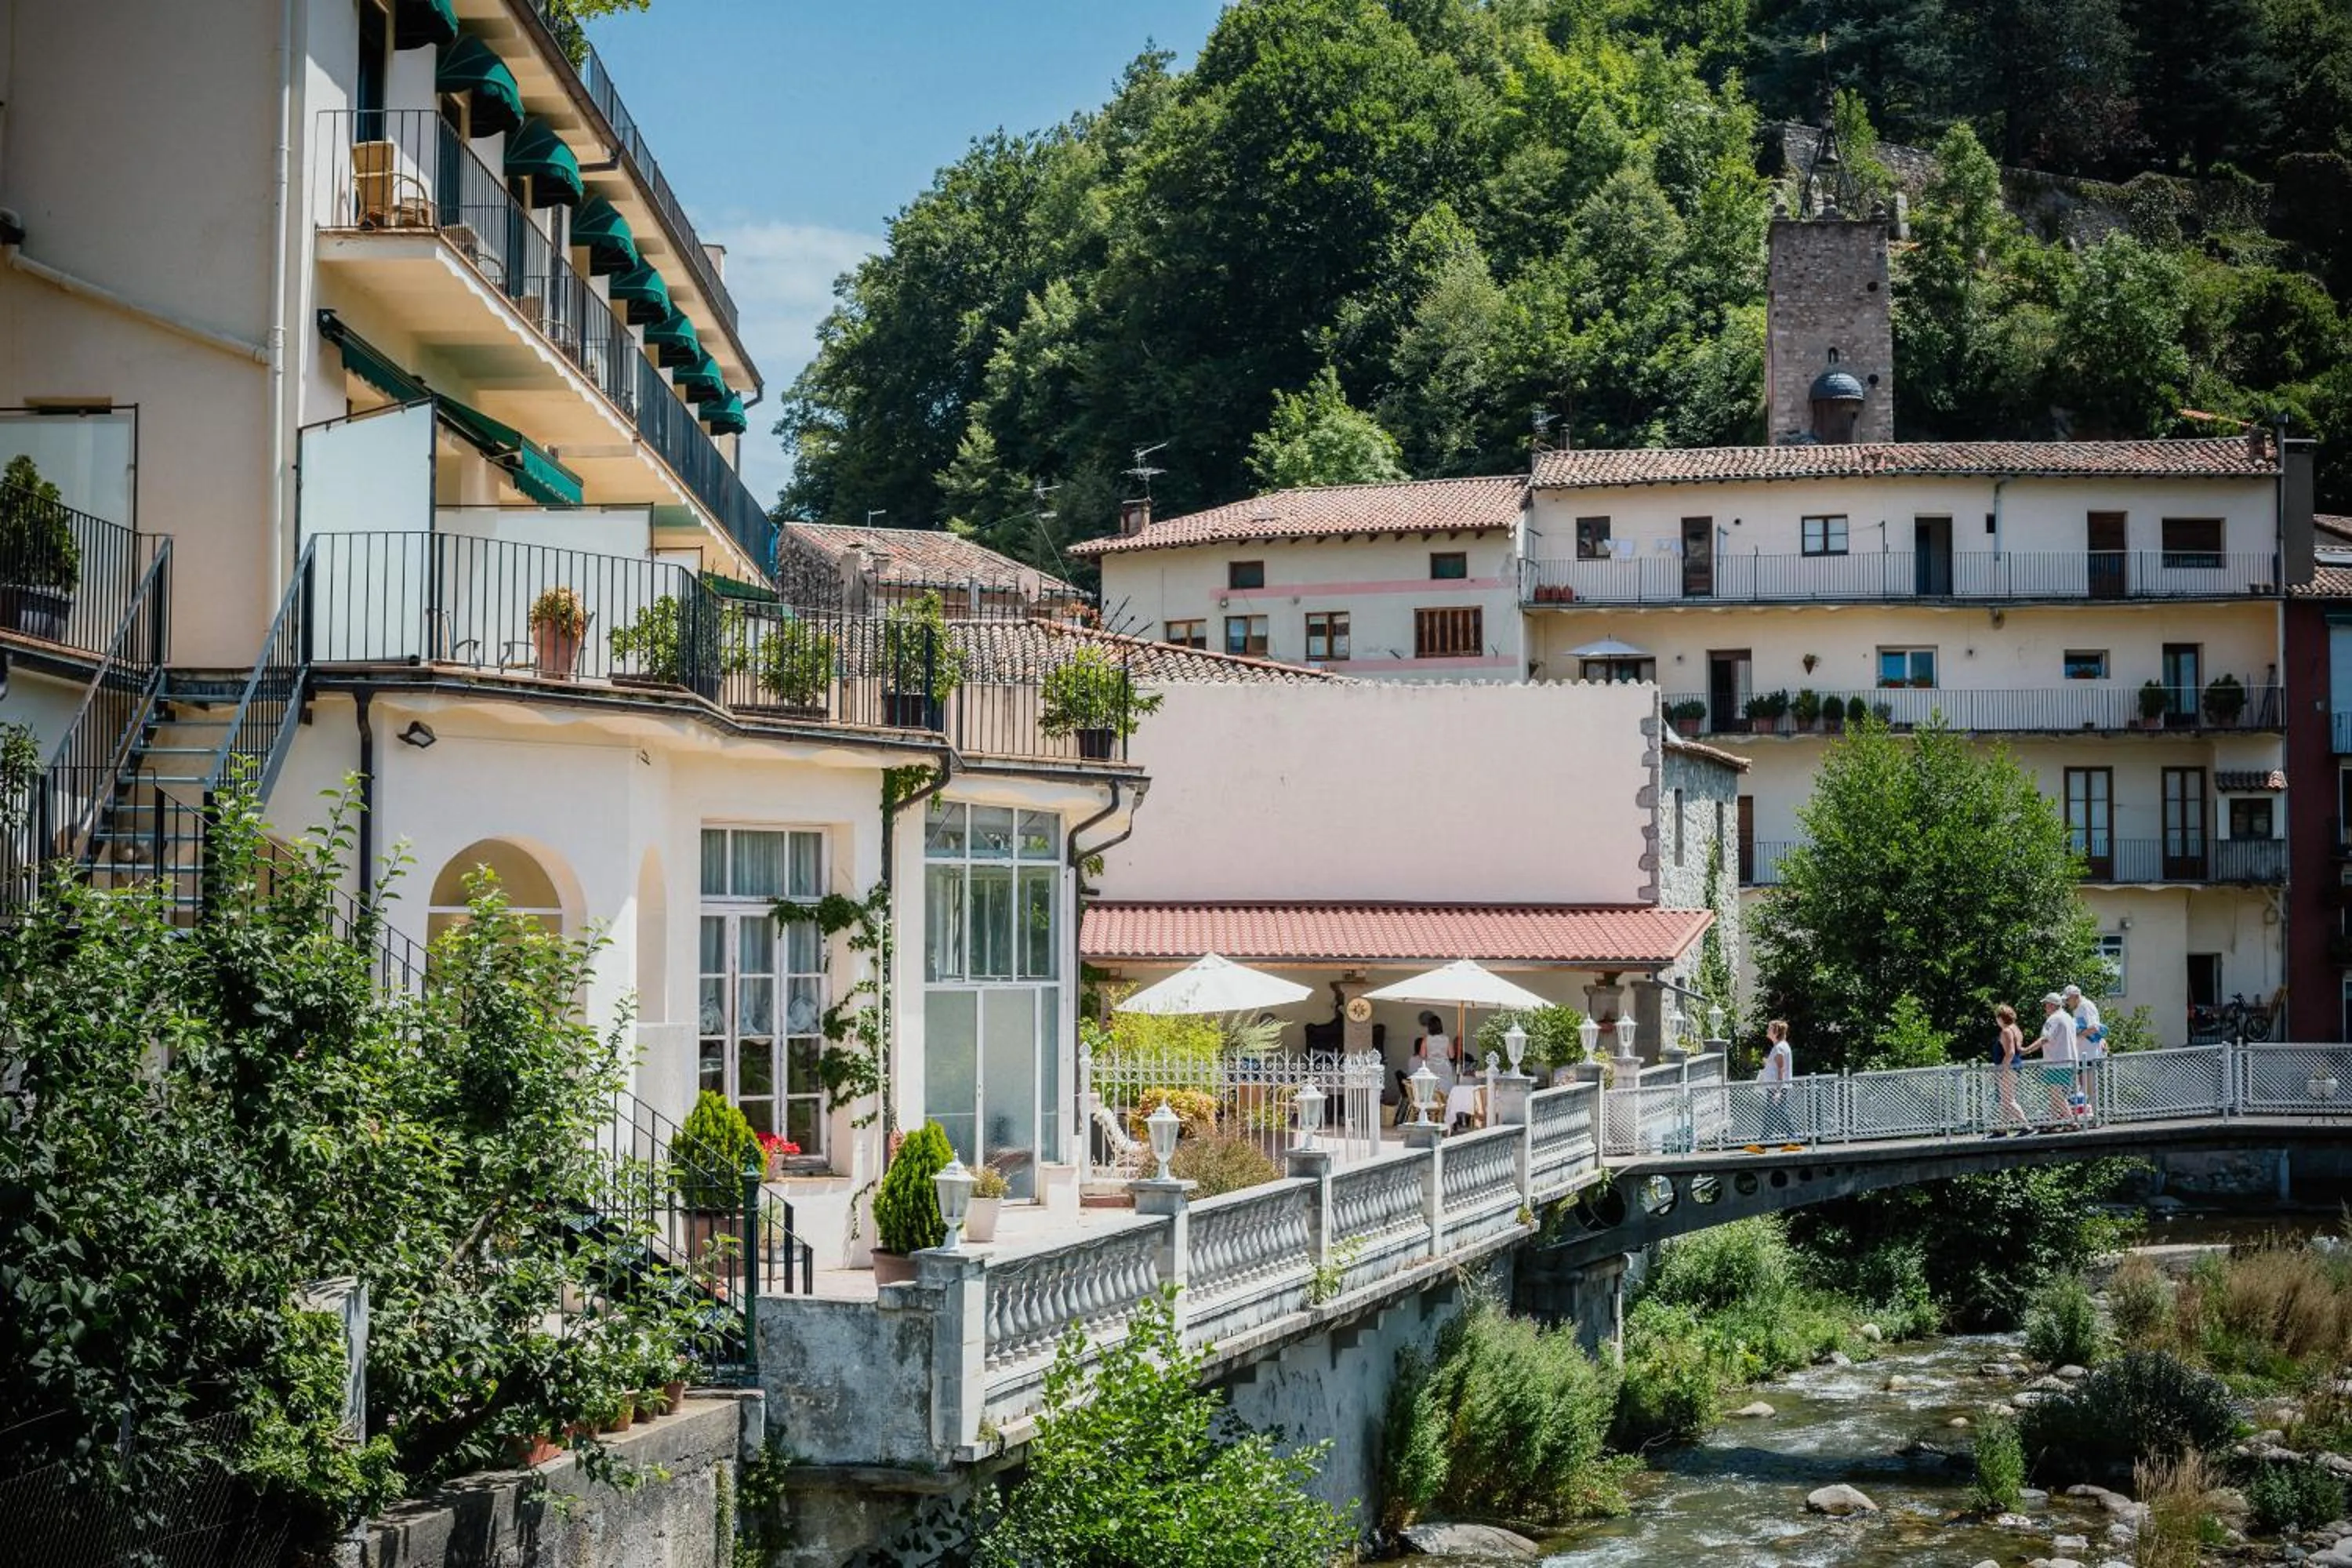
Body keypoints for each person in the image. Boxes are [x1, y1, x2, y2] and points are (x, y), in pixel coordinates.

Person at [2021, 993, 2077, 1127]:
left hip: (2056, 1061)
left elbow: (2045, 1038)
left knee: (2056, 1093)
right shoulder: (2068, 1017)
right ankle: (2052, 1123)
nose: (2045, 1007)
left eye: (2046, 1004)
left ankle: (2070, 1121)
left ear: (2052, 1005)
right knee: (2055, 1093)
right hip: (2070, 1060)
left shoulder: (2054, 1019)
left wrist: (2027, 1050)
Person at [1750, 1020, 1801, 1151]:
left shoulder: (1779, 1048)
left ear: (1776, 1032)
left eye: (1769, 1028)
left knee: (1776, 1114)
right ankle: (1767, 1143)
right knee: (1775, 1114)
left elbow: (1781, 1069)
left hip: (1776, 1088)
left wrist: (1778, 1090)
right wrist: (1768, 1062)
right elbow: (1778, 1067)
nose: (1767, 1030)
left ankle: (1791, 1141)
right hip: (1777, 1087)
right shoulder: (1780, 1046)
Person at [2064, 982, 2103, 1116]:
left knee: (2090, 1087)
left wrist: (2076, 1035)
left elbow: (2095, 1028)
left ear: (2076, 997)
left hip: (2090, 1054)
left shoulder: (2086, 1006)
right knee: (2084, 1087)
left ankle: (2096, 1116)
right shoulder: (2077, 1009)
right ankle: (2089, 1115)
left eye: (2068, 999)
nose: (2067, 1003)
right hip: (2082, 1054)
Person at [1989, 1004, 2027, 1135]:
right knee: (2005, 1100)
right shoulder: (2016, 1029)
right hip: (2014, 1068)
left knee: (2009, 1100)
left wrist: (2002, 1070)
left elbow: (2010, 1053)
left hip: (2008, 1068)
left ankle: (2026, 1125)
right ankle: (2002, 1128)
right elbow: (2019, 1049)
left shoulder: (2006, 1031)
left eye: (1997, 1017)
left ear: (2001, 1018)